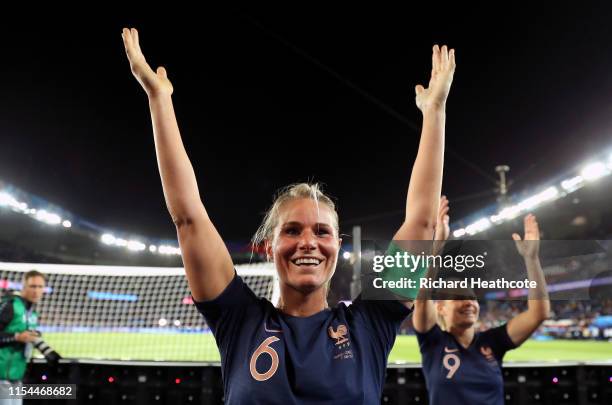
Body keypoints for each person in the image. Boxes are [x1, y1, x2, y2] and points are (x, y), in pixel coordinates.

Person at [122, 27, 455, 403]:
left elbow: (422, 223)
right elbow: (188, 217)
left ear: (337, 245)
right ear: (269, 246)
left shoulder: (370, 323)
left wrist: (434, 112)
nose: (308, 242)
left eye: (322, 232)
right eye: (292, 230)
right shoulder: (239, 319)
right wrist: (158, 100)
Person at [414, 202, 550, 405]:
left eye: (472, 298)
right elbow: (422, 297)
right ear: (440, 308)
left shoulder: (492, 343)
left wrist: (532, 259)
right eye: (459, 299)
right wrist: (437, 245)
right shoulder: (434, 342)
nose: (468, 303)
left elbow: (538, 313)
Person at [0, 270, 58, 405]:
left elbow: (25, 338)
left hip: (15, 376)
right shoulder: (10, 305)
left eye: (40, 287)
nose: (36, 291)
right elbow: (18, 336)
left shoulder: (32, 313)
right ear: (24, 287)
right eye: (32, 286)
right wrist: (17, 337)